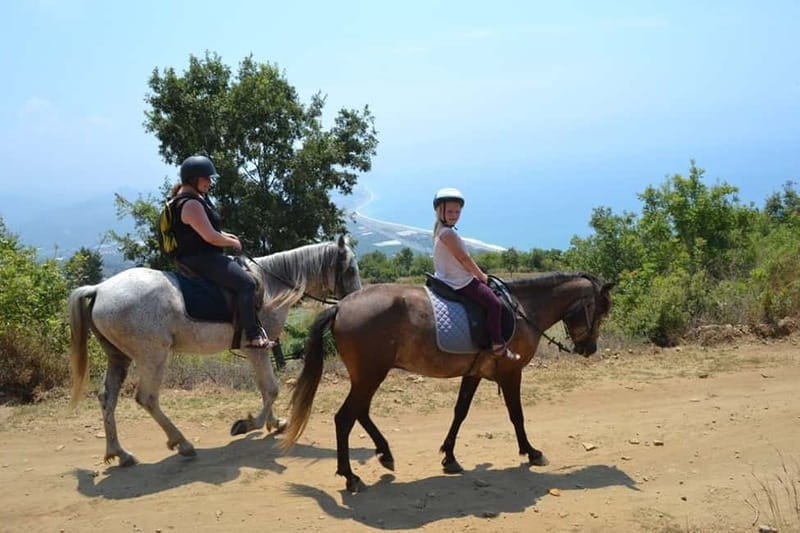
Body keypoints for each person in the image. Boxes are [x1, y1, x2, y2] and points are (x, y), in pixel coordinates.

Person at [170, 155, 274, 349]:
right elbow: (210, 237)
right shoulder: (191, 204)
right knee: (247, 284)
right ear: (193, 179)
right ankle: (253, 334)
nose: (210, 182)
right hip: (202, 259)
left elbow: (203, 230)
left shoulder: (188, 199)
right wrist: (233, 243)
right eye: (206, 178)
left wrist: (227, 236)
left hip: (197, 256)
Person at [432, 187, 519, 361]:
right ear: (440, 211)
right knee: (494, 304)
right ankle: (498, 344)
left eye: (457, 212)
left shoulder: (441, 230)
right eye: (450, 211)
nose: (454, 215)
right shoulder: (448, 233)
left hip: (445, 277)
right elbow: (464, 259)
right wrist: (481, 276)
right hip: (459, 281)